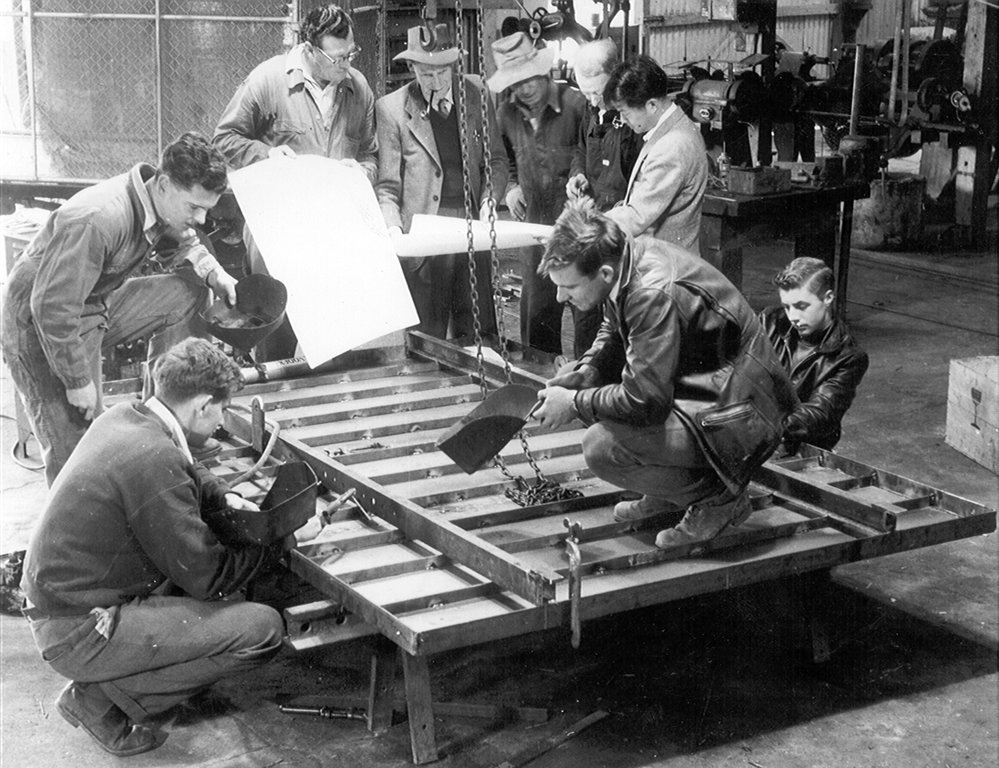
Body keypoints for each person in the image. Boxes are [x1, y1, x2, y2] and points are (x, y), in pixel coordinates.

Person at [19, 338, 287, 757]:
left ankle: (115, 683)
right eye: (220, 409)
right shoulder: (152, 459)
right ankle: (101, 702)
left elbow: (184, 467)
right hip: (77, 630)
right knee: (261, 629)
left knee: (192, 585)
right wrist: (276, 541)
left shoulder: (128, 416)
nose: (220, 422)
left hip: (64, 603)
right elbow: (208, 577)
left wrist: (222, 497)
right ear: (202, 405)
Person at [533, 200, 796, 549]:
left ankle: (718, 499)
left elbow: (645, 401)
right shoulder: (624, 258)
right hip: (706, 392)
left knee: (601, 446)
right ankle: (670, 493)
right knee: (594, 395)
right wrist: (587, 371)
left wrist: (575, 402)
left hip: (742, 412)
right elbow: (616, 325)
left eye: (569, 287)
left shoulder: (650, 291)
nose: (559, 296)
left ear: (604, 275)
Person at [1, 132, 239, 487]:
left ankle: (167, 413)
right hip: (38, 324)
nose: (202, 219)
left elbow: (184, 241)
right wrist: (77, 380)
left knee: (190, 289)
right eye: (194, 207)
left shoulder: (160, 205)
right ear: (163, 184)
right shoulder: (98, 219)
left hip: (94, 304)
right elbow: (51, 306)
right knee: (81, 452)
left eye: (207, 208)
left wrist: (214, 273)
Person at [213, 3, 377, 360]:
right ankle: (273, 406)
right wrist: (266, 154)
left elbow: (371, 155)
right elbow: (224, 140)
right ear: (309, 49)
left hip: (332, 233)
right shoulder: (269, 81)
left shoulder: (358, 89)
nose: (347, 65)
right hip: (277, 232)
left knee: (334, 335)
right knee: (277, 333)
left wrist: (362, 172)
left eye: (351, 54)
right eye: (338, 58)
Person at [376, 23, 508, 339]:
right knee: (425, 333)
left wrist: (490, 200)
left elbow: (496, 161)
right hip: (424, 233)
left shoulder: (477, 95)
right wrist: (395, 231)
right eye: (425, 75)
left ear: (452, 66)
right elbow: (387, 186)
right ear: (411, 68)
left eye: (441, 74)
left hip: (471, 226)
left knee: (477, 331)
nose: (434, 83)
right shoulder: (391, 109)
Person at [488, 31, 588, 356]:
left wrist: (578, 175)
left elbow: (586, 151)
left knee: (588, 313)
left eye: (528, 80)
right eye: (515, 84)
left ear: (542, 71)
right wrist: (514, 186)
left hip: (576, 222)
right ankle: (540, 388)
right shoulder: (506, 114)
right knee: (537, 317)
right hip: (534, 223)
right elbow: (503, 157)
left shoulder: (576, 104)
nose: (524, 89)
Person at [565, 38, 641, 357]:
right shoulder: (590, 106)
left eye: (598, 92)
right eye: (586, 94)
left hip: (622, 235)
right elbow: (581, 148)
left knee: (619, 326)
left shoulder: (634, 116)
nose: (594, 101)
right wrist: (577, 174)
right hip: (591, 228)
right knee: (585, 320)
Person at [759, 257, 869, 454]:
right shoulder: (770, 322)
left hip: (802, 445)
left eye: (801, 306)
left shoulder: (849, 356)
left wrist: (761, 423)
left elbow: (820, 413)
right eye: (787, 306)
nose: (793, 316)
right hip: (756, 431)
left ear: (828, 298)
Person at [603, 55, 709, 253]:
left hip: (666, 268)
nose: (623, 120)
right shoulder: (673, 129)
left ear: (652, 105)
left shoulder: (672, 145)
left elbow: (638, 216)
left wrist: (585, 224)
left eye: (625, 113)